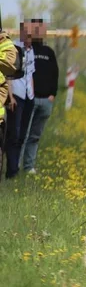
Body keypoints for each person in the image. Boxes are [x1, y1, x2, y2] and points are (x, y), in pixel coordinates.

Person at [23, 19, 58, 175]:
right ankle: (14, 167)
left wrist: (53, 94)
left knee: (35, 136)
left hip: (46, 101)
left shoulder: (49, 52)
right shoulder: (25, 50)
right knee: (23, 134)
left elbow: (55, 74)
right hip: (29, 99)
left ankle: (29, 166)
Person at [3, 22, 33, 179]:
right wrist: (10, 96)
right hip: (16, 96)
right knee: (13, 135)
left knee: (22, 135)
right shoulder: (14, 49)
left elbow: (30, 75)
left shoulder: (31, 51)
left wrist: (33, 96)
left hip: (28, 97)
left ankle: (15, 168)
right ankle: (11, 171)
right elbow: (7, 73)